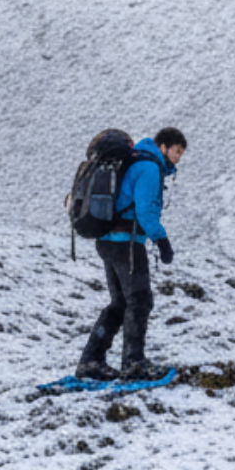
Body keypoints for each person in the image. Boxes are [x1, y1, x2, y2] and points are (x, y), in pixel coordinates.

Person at [76, 127, 186, 381]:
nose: (179, 157)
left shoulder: (133, 160)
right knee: (140, 300)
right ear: (164, 147)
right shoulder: (149, 167)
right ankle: (134, 363)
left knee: (120, 303)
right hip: (127, 243)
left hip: (106, 240)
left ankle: (91, 361)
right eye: (177, 151)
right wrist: (162, 241)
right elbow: (147, 210)